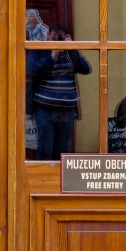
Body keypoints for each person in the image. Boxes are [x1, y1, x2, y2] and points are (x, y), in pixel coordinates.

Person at [26, 23, 92, 160]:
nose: (56, 41)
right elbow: (32, 69)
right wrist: (52, 56)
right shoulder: (39, 49)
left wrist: (72, 48)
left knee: (62, 153)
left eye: (60, 38)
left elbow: (86, 69)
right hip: (45, 109)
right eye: (54, 37)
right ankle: (42, 181)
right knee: (45, 151)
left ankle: (57, 181)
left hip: (67, 112)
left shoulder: (69, 52)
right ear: (48, 35)